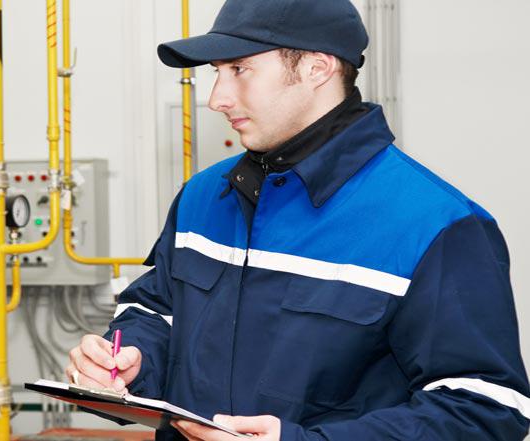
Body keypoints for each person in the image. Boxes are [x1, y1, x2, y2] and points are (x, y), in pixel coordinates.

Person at [65, 0, 530, 439]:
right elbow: (156, 309)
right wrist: (129, 359)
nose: (217, 98)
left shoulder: (435, 224)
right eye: (217, 73)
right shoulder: (204, 197)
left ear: (316, 68)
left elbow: (485, 408)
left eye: (239, 69)